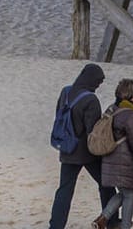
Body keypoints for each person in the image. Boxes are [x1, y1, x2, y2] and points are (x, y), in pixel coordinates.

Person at [47, 65, 114, 229]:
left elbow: (59, 115)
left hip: (67, 149)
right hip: (87, 153)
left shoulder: (66, 92)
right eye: (98, 82)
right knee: (106, 184)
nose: (98, 86)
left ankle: (55, 226)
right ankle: (111, 221)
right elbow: (93, 132)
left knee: (64, 190)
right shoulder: (91, 100)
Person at [98, 78, 133, 229]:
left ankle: (102, 219)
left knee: (124, 193)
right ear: (131, 97)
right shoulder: (131, 116)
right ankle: (124, 225)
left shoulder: (111, 109)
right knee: (130, 194)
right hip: (126, 164)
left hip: (110, 161)